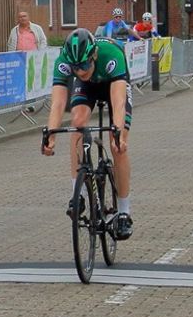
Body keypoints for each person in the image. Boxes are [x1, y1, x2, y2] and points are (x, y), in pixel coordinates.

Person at [40, 28, 135, 237]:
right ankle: (79, 194)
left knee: (117, 145)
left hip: (113, 84)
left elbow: (118, 102)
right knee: (77, 122)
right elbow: (57, 103)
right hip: (88, 88)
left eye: (84, 65)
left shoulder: (111, 54)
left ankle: (124, 211)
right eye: (76, 67)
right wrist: (51, 136)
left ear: (93, 55)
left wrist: (118, 132)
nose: (80, 71)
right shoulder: (65, 61)